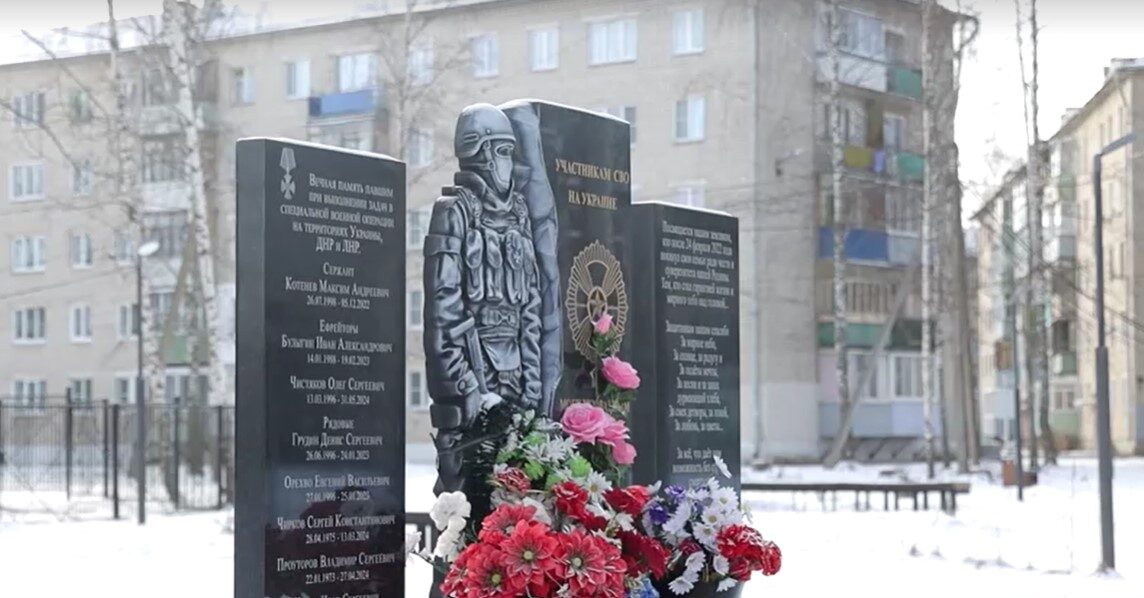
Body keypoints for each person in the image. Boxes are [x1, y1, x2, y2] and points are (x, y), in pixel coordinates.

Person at [422, 103, 543, 498]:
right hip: (475, 374)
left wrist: (532, 385)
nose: (511, 163)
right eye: (504, 151)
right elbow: (443, 311)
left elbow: (531, 307)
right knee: (468, 497)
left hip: (516, 374)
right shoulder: (454, 212)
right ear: (481, 151)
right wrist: (465, 384)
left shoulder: (520, 215)